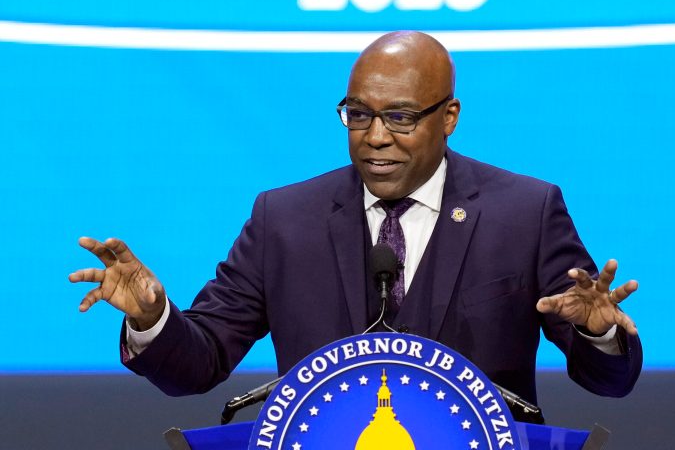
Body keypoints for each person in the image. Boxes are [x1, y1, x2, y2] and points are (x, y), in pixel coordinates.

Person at [69, 31, 641, 406]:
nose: (374, 138)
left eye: (400, 117)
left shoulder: (526, 212)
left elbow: (609, 380)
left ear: (449, 118)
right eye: (358, 115)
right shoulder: (284, 219)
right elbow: (198, 364)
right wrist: (152, 319)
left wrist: (600, 331)